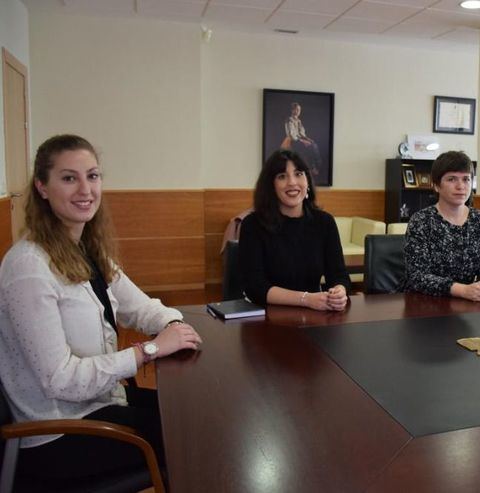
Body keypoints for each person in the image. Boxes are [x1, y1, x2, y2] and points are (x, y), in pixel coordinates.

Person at [0, 134, 203, 483]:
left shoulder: (84, 249)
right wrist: (150, 350)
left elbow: (139, 307)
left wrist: (174, 324)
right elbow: (59, 380)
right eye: (69, 178)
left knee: (195, 418)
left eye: (92, 176)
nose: (85, 189)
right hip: (57, 434)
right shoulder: (28, 267)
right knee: (192, 442)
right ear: (42, 188)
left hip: (101, 405)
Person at [239, 149, 349, 311]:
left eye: (298, 174)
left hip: (315, 314)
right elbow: (255, 287)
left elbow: (338, 274)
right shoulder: (252, 225)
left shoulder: (324, 222)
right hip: (266, 317)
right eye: (282, 176)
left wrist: (340, 291)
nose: (292, 182)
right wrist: (306, 299)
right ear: (271, 186)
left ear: (307, 181)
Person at [403, 151, 480, 301]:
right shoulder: (421, 221)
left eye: (466, 179)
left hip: (470, 304)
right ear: (436, 185)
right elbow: (417, 277)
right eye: (452, 179)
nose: (460, 186)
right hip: (424, 305)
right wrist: (461, 290)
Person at [284, 102, 322, 177]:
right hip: (292, 140)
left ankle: (317, 164)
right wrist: (302, 141)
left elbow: (302, 133)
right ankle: (312, 167)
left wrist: (308, 139)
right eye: (296, 109)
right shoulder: (289, 120)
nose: (298, 112)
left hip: (299, 139)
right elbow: (291, 135)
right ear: (292, 110)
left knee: (314, 144)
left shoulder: (298, 121)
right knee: (309, 147)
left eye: (299, 110)